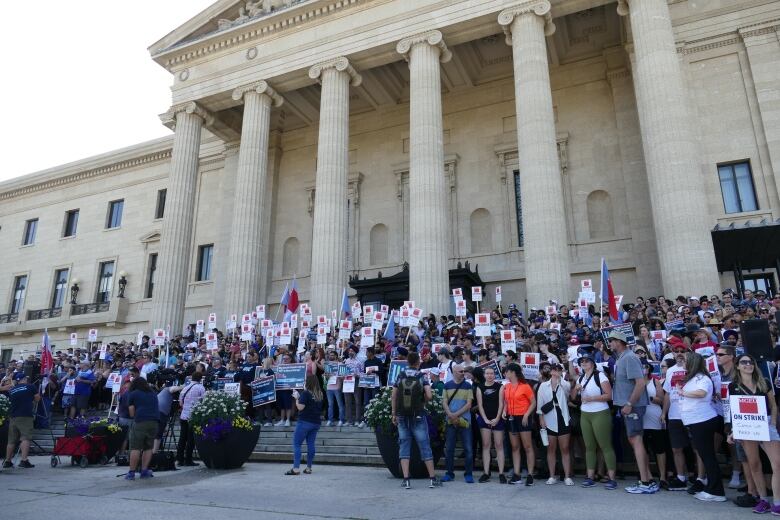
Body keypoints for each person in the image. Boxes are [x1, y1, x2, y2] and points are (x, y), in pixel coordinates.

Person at [728, 353, 780, 513]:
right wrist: (733, 431)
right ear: (737, 366)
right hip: (748, 427)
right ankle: (763, 500)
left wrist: (772, 423)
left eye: (751, 362)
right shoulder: (733, 386)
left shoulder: (763, 383)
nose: (748, 365)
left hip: (766, 425)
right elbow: (734, 410)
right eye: (744, 362)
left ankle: (777, 503)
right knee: (754, 464)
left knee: (777, 463)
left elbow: (774, 405)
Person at [609, 330, 656, 494]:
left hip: (633, 406)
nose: (610, 343)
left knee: (635, 440)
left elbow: (640, 383)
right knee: (636, 440)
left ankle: (645, 482)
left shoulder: (629, 357)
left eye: (612, 340)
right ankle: (648, 479)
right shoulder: (622, 357)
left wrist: (629, 403)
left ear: (619, 342)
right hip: (629, 405)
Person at [677, 352, 725, 502]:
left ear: (692, 362)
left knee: (708, 456)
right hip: (696, 421)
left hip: (702, 421)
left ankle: (716, 491)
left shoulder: (702, 378)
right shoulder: (694, 378)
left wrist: (683, 392)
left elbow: (701, 393)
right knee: (705, 456)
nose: (683, 362)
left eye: (685, 360)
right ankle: (712, 488)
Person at [391, 351, 441, 490]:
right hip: (418, 414)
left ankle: (406, 480)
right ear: (418, 362)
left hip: (402, 415)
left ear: (407, 361)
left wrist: (394, 414)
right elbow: (429, 396)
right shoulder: (421, 376)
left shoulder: (400, 375)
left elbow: (394, 396)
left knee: (404, 446)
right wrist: (422, 402)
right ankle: (432, 479)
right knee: (424, 445)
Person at [572, 354, 616, 489]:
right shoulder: (580, 378)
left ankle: (612, 479)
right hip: (585, 413)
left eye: (586, 361)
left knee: (605, 446)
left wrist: (592, 399)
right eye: (581, 361)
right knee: (589, 447)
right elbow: (573, 397)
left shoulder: (600, 376)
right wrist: (576, 388)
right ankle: (590, 476)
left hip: (600, 412)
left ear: (592, 363)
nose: (583, 363)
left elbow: (610, 395)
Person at [661, 343, 694, 492]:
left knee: (697, 449)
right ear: (672, 353)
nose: (679, 353)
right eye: (676, 351)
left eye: (683, 351)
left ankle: (701, 478)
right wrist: (664, 413)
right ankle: (681, 477)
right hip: (674, 414)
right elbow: (668, 393)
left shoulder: (694, 368)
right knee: (676, 448)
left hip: (693, 413)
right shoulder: (671, 371)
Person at [537, 363, 573, 485]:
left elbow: (568, 395)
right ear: (551, 371)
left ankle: (567, 476)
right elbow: (540, 404)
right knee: (551, 449)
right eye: (554, 369)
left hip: (563, 418)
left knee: (565, 448)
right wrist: (541, 419)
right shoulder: (543, 386)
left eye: (559, 370)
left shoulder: (565, 384)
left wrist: (560, 380)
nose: (556, 371)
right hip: (549, 418)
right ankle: (552, 476)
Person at [502, 363, 536, 485]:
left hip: (523, 417)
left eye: (507, 371)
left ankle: (530, 475)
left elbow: (533, 402)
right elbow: (506, 401)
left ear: (513, 372)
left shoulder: (525, 386)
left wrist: (527, 415)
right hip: (511, 417)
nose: (505, 373)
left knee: (527, 447)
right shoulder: (507, 386)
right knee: (515, 447)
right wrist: (504, 411)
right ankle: (517, 475)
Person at [442, 363, 474, 483]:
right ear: (454, 372)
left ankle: (468, 473)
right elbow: (444, 402)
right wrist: (451, 414)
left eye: (464, 371)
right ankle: (449, 473)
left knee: (468, 449)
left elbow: (469, 404)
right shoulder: (447, 385)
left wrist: (453, 415)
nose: (463, 373)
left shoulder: (467, 386)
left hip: (464, 421)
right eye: (461, 371)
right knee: (449, 449)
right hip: (451, 420)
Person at [286, 375, 324, 475]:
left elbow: (300, 408)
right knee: (311, 444)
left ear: (308, 382)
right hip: (316, 422)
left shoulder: (306, 393)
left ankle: (296, 468)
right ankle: (309, 468)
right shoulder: (320, 394)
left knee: (297, 444)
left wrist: (297, 398)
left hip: (304, 422)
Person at [0, 373, 40, 469]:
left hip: (13, 416)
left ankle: (8, 461)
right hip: (25, 415)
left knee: (11, 440)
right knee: (25, 437)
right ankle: (24, 460)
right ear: (25, 379)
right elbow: (37, 398)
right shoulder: (30, 386)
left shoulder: (13, 389)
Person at [125, 376, 160, 480]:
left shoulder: (133, 394)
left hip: (140, 421)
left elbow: (131, 412)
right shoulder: (153, 393)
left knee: (135, 447)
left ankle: (131, 472)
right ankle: (144, 471)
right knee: (148, 447)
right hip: (154, 421)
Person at [476, 365, 505, 483]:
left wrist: (497, 418)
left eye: (491, 373)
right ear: (484, 375)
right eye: (487, 373)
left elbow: (501, 404)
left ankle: (501, 473)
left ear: (495, 375)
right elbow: (480, 405)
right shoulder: (480, 387)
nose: (489, 375)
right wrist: (486, 419)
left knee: (499, 445)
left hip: (498, 419)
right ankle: (486, 472)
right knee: (486, 445)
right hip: (485, 420)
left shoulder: (500, 387)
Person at [641, 362, 668, 489]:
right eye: (641, 366)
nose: (643, 368)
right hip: (641, 419)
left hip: (654, 416)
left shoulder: (655, 381)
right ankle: (649, 475)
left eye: (645, 366)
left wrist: (649, 398)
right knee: (643, 449)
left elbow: (661, 400)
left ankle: (662, 477)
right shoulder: (635, 382)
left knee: (660, 448)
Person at [177, 372, 206, 467]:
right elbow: (204, 401)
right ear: (200, 379)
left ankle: (180, 460)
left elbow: (180, 403)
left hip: (183, 416)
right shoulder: (200, 388)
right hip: (193, 416)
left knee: (182, 438)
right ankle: (188, 460)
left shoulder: (185, 387)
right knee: (191, 439)